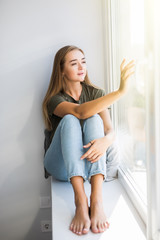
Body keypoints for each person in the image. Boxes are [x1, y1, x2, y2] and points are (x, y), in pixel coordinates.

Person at [42, 45, 135, 235]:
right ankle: (80, 200)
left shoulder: (96, 93)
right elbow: (79, 111)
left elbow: (110, 131)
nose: (81, 67)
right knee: (71, 118)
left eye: (83, 62)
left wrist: (105, 141)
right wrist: (120, 92)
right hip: (60, 165)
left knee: (94, 118)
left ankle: (96, 199)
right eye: (74, 63)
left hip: (88, 163)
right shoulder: (55, 99)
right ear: (61, 71)